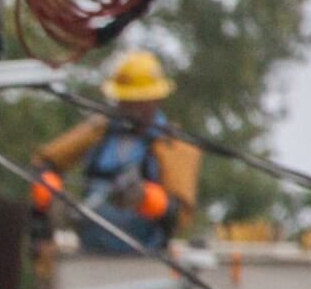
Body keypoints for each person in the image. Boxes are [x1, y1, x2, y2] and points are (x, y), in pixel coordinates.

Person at [31, 48, 199, 254]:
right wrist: (48, 190)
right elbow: (46, 161)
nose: (130, 108)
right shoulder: (100, 129)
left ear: (155, 99)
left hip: (145, 261)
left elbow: (180, 215)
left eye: (138, 101)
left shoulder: (174, 145)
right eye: (125, 100)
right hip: (90, 254)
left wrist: (148, 199)